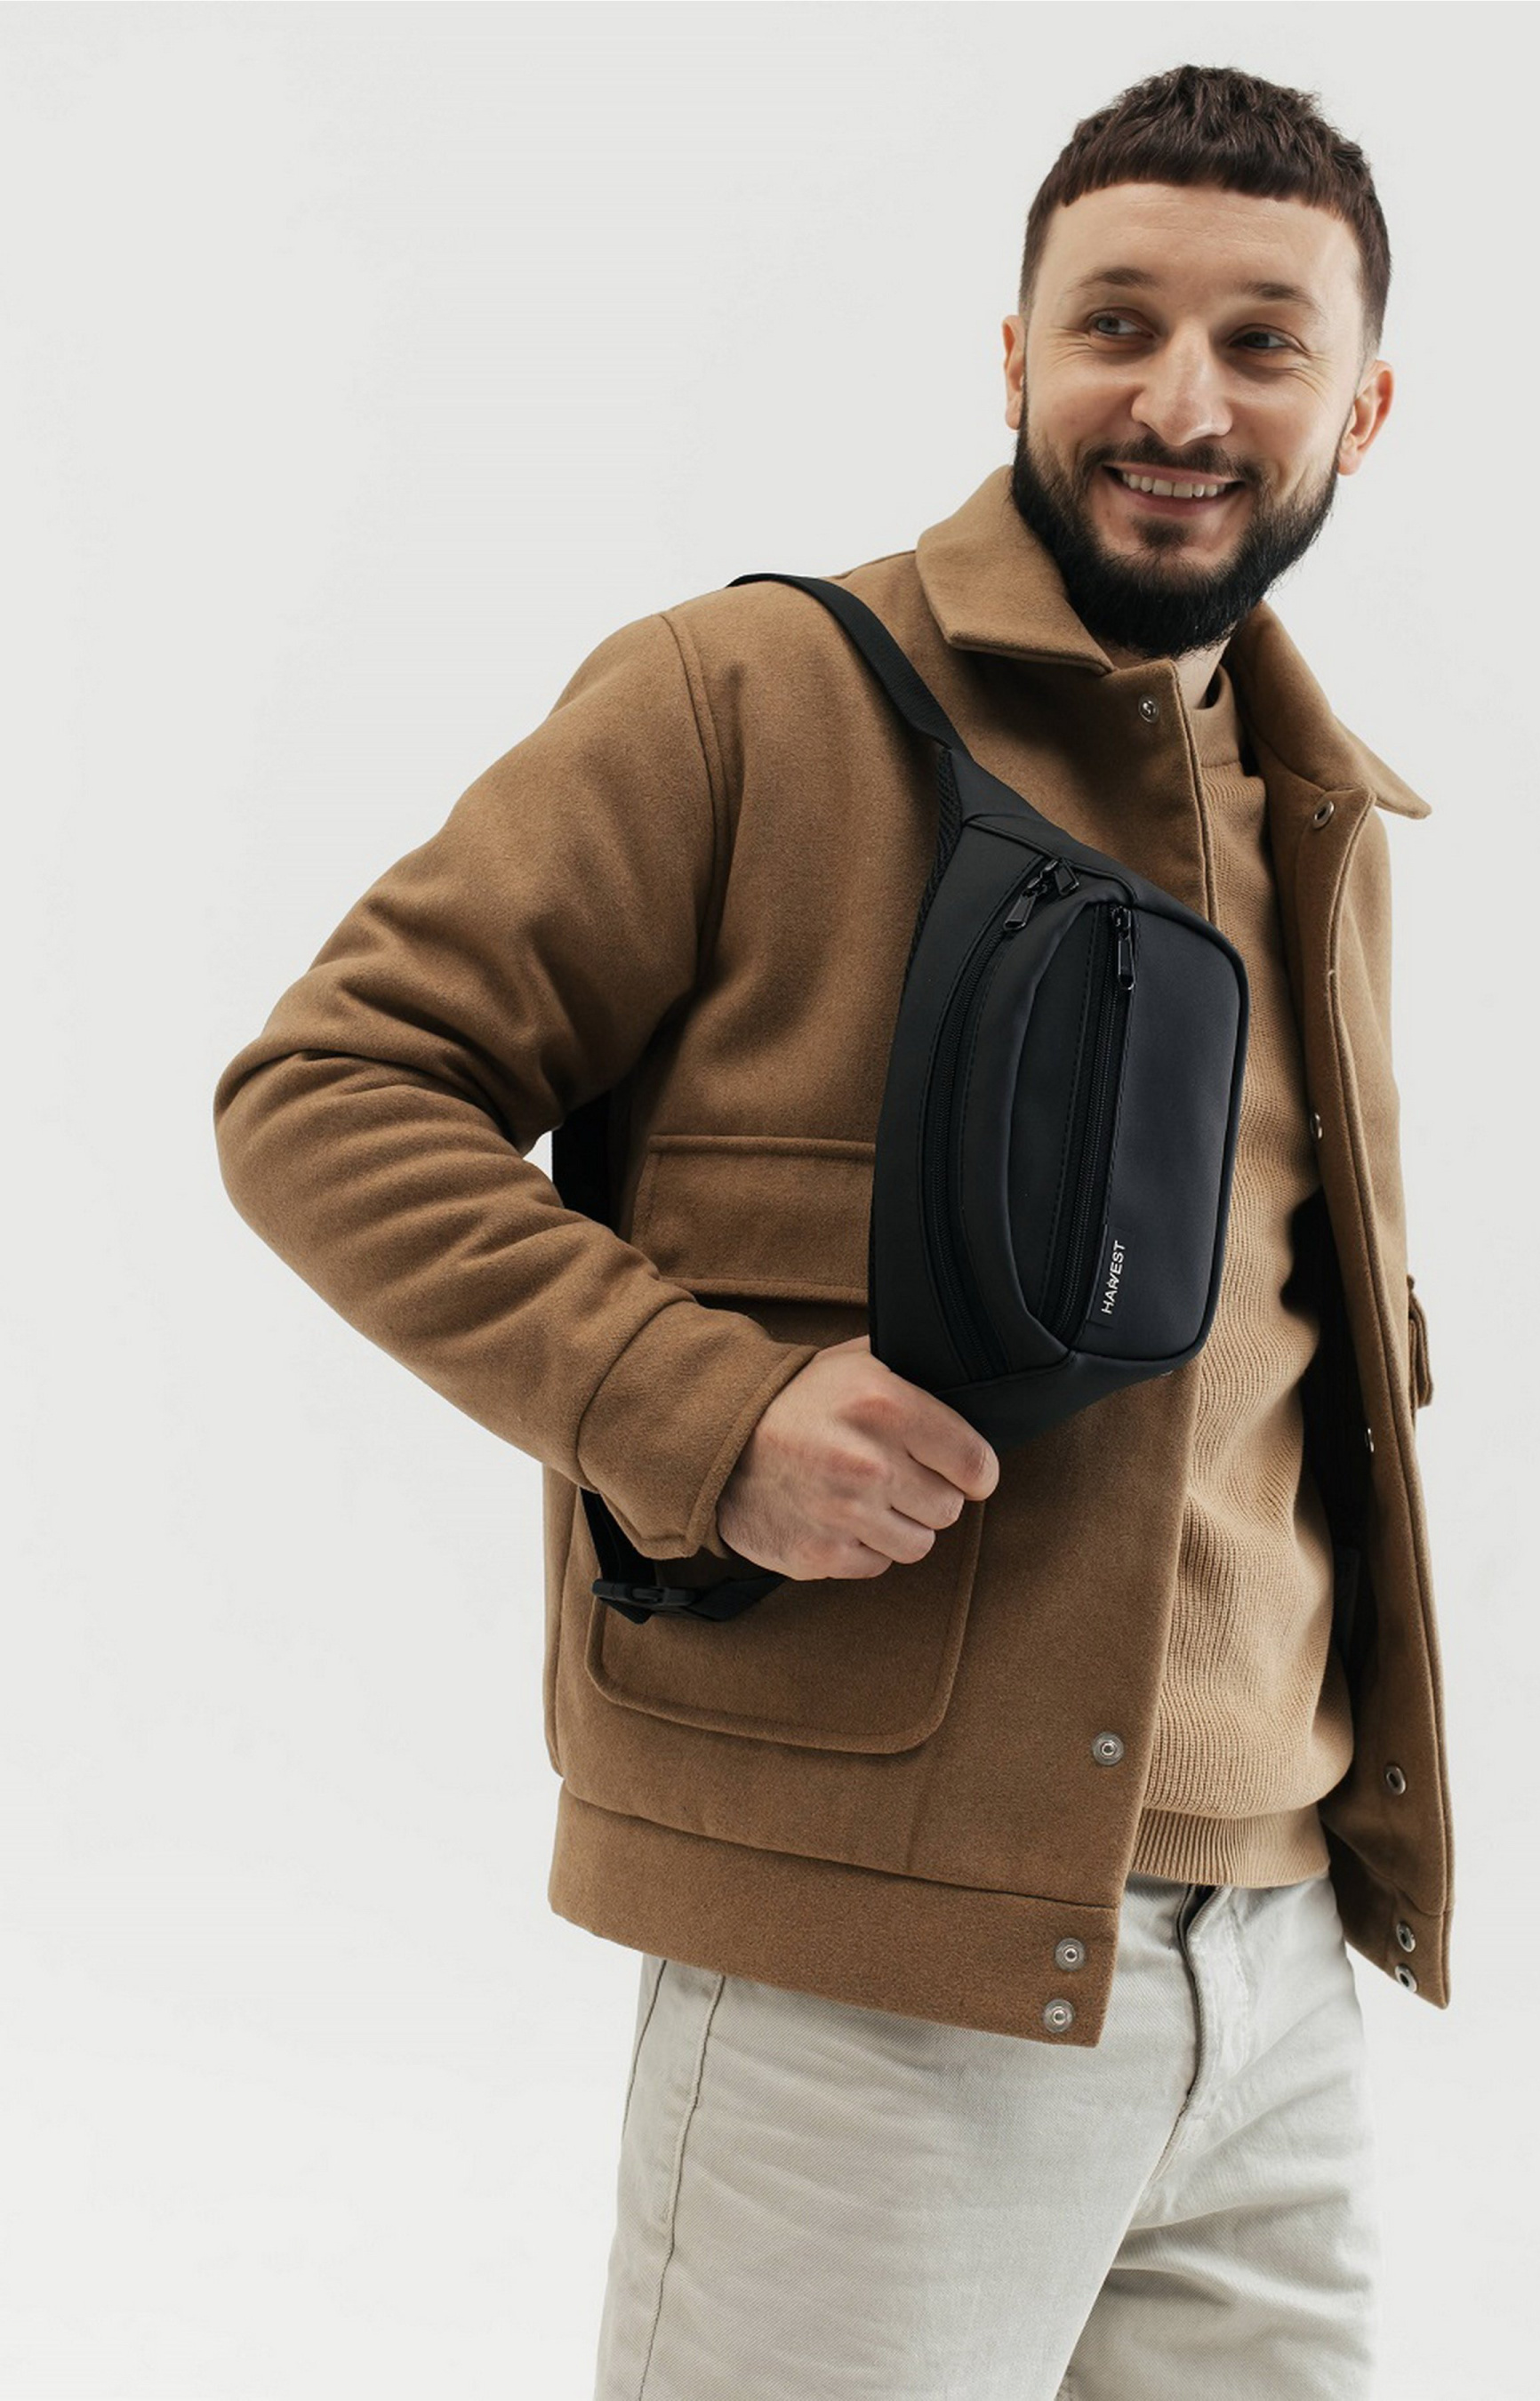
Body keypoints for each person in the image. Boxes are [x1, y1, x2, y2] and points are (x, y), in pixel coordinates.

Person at [213, 59, 1453, 2401]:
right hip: (871, 1968)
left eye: (1262, 343)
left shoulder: (1317, 809)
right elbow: (329, 1090)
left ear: (1358, 409)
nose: (1181, 403)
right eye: (1115, 324)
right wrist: (705, 1408)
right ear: (1013, 357)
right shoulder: (747, 699)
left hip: (1277, 1975)